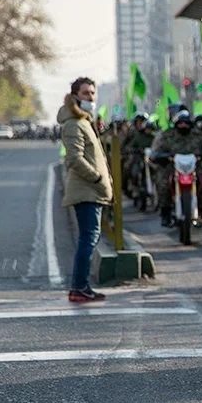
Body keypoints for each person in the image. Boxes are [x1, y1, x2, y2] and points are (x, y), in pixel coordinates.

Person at [58, 77, 112, 303]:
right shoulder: (73, 123)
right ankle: (79, 286)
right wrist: (97, 177)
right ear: (75, 96)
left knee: (90, 238)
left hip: (93, 190)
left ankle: (82, 286)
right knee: (88, 239)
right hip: (86, 190)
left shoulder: (84, 121)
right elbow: (74, 158)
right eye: (85, 93)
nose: (90, 97)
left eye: (92, 93)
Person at [151, 108, 202, 227]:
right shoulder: (167, 135)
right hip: (173, 167)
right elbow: (156, 152)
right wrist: (165, 157)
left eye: (186, 123)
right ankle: (165, 212)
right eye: (180, 123)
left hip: (194, 168)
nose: (183, 125)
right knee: (162, 182)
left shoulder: (198, 136)